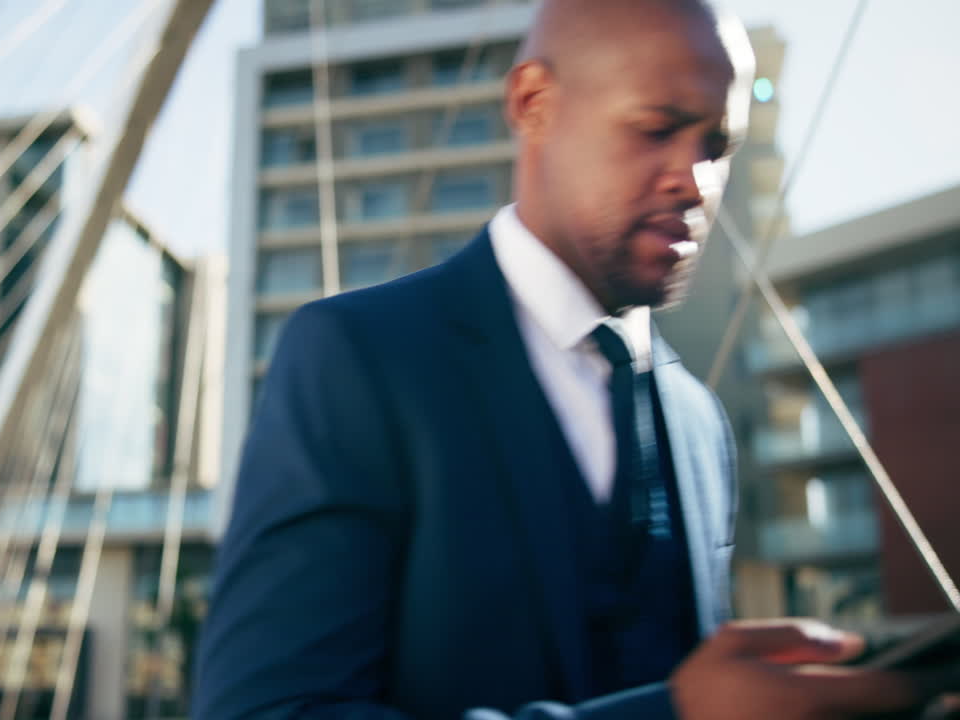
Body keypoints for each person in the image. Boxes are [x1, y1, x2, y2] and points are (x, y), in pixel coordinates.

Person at [193, 1, 950, 718]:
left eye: (717, 147)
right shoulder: (357, 359)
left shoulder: (699, 421)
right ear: (533, 103)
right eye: (658, 129)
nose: (698, 182)